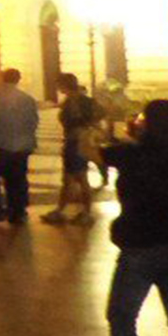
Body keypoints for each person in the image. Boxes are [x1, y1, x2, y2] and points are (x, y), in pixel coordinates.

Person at [86, 99, 168, 336]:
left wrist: (88, 133)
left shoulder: (131, 153)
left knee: (121, 315)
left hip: (141, 245)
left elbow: (87, 151)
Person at [43, 72, 101, 226]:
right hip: (78, 142)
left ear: (64, 85)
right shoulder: (81, 100)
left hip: (75, 142)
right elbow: (96, 116)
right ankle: (62, 210)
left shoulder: (74, 101)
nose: (57, 87)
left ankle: (85, 212)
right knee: (69, 179)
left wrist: (81, 129)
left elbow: (76, 121)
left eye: (59, 84)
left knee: (80, 178)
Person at [0, 68, 38, 225]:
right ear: (18, 79)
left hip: (2, 144)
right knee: (18, 178)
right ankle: (18, 210)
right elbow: (33, 122)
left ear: (2, 78)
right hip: (22, 145)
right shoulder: (27, 99)